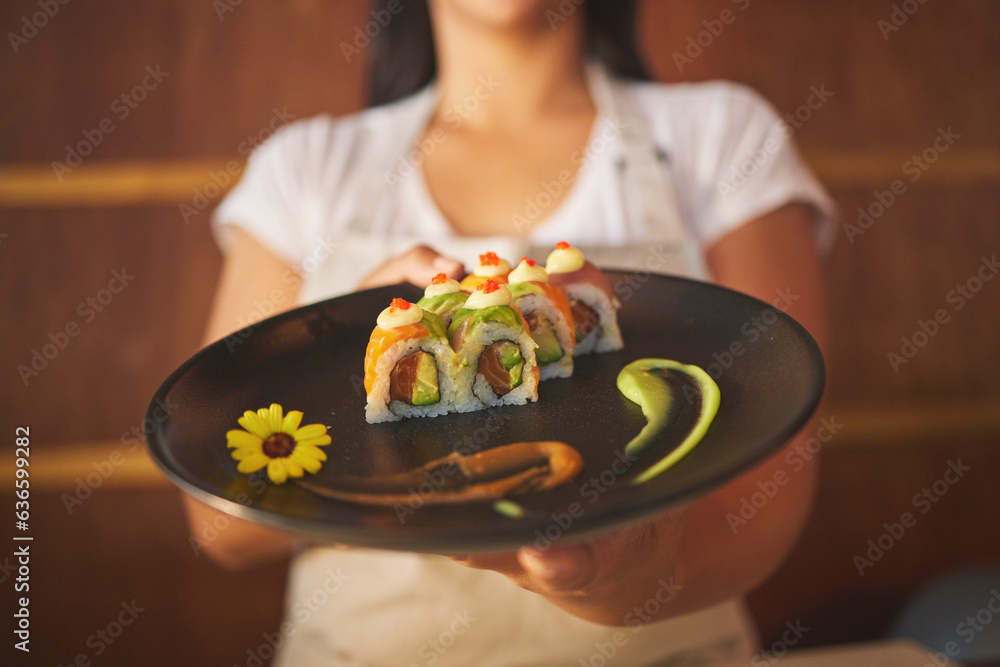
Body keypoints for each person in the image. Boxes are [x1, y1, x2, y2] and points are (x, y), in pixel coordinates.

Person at [183, 1, 835, 664]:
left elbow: (768, 489)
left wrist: (631, 582)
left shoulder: (719, 134)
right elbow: (218, 523)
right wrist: (333, 355)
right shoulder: (306, 168)